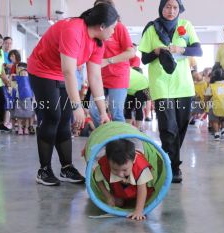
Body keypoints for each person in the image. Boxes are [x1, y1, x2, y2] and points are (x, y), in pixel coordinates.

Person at [27, 4, 117, 186]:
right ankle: (43, 170)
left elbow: (95, 77)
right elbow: (69, 71)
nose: (114, 32)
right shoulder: (74, 30)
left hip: (61, 73)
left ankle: (66, 167)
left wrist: (103, 113)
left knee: (65, 119)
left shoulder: (97, 42)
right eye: (113, 27)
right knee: (53, 116)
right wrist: (77, 106)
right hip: (41, 70)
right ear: (101, 26)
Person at [139, 0, 202, 183]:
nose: (171, 11)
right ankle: (173, 167)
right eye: (167, 6)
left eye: (175, 7)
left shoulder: (186, 25)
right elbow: (144, 58)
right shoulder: (151, 28)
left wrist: (181, 49)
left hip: (183, 86)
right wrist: (157, 51)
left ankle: (168, 159)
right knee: (168, 128)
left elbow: (198, 51)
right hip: (160, 85)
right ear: (161, 7)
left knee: (180, 128)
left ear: (179, 9)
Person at [89, 0, 135, 127]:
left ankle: (119, 143)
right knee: (94, 110)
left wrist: (108, 61)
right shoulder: (93, 28)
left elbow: (131, 53)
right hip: (99, 76)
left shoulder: (118, 27)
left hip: (118, 76)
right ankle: (106, 137)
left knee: (116, 113)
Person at [94, 139, 154, 221]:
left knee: (144, 200)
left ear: (134, 160)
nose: (120, 174)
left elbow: (142, 189)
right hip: (120, 190)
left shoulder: (140, 167)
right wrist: (108, 196)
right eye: (115, 169)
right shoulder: (105, 164)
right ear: (108, 161)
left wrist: (138, 211)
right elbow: (98, 179)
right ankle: (123, 199)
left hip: (137, 191)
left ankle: (133, 203)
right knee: (118, 203)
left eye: (125, 170)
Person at [204, 67, 224, 141]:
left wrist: (205, 104)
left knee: (215, 120)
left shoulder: (212, 86)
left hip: (215, 106)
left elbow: (207, 97)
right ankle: (223, 131)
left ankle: (217, 134)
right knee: (223, 118)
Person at [124, 67, 149, 131]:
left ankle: (138, 129)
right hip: (132, 88)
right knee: (127, 107)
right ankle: (128, 128)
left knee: (138, 107)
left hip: (144, 87)